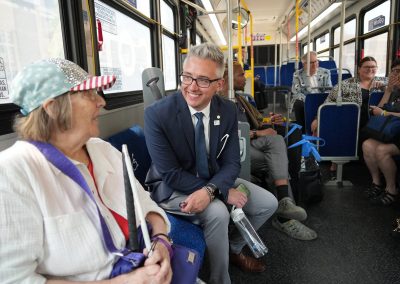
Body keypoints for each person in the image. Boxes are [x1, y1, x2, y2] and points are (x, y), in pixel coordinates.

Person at [0, 58, 172, 283]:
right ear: (52, 108)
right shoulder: (13, 172)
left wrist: (161, 241)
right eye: (89, 94)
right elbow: (15, 278)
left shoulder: (103, 150)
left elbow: (145, 205)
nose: (101, 102)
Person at [144, 43, 278, 284]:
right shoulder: (158, 114)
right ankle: (220, 279)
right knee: (217, 212)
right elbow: (170, 173)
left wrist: (213, 189)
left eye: (203, 80)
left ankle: (233, 249)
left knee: (268, 203)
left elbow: (231, 162)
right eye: (187, 77)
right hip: (171, 187)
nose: (192, 87)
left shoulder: (226, 110)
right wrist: (219, 191)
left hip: (214, 178)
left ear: (219, 84)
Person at [220, 61, 317, 241]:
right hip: (233, 151)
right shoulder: (219, 103)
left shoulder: (239, 99)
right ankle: (284, 215)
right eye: (241, 74)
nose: (245, 78)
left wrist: (268, 120)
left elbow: (254, 120)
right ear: (228, 78)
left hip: (248, 144)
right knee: (277, 158)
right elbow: (228, 135)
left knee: (277, 142)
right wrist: (258, 132)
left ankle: (284, 204)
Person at [311, 56, 387, 174]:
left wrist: (386, 87)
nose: (370, 69)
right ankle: (335, 162)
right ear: (359, 69)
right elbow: (328, 103)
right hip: (349, 120)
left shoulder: (383, 83)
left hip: (374, 121)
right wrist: (317, 118)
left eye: (373, 67)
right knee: (340, 126)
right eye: (366, 67)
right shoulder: (346, 84)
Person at [362, 58, 400, 206]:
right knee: (367, 145)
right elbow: (379, 108)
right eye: (394, 71)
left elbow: (383, 113)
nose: (396, 74)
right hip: (391, 130)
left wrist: (385, 114)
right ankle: (376, 182)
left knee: (382, 151)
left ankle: (391, 189)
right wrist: (389, 90)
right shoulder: (394, 90)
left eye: (399, 71)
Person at [291, 51, 332, 131]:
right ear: (304, 64)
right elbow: (296, 92)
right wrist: (310, 101)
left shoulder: (325, 72)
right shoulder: (297, 75)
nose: (315, 64)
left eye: (316, 61)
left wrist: (322, 100)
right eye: (311, 62)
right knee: (298, 103)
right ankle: (303, 131)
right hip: (306, 99)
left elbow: (328, 89)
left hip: (321, 98)